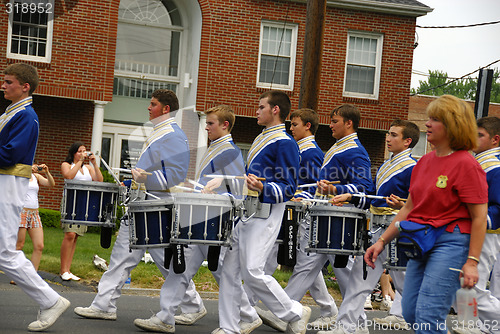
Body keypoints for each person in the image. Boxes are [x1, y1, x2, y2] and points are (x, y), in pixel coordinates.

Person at [74, 89, 204, 324]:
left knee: (162, 261)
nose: (148, 107)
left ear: (166, 109)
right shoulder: (162, 132)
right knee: (124, 257)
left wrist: (146, 179)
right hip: (144, 205)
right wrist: (133, 181)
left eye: (153, 104)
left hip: (156, 207)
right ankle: (104, 304)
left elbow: (175, 175)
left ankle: (193, 304)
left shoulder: (173, 135)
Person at [365, 94, 488, 334]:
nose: (427, 124)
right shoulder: (424, 162)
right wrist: (381, 242)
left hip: (451, 244)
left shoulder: (467, 165)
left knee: (428, 316)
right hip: (420, 242)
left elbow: (479, 217)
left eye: (435, 119)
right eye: (429, 118)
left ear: (453, 125)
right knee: (410, 312)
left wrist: (472, 262)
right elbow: (410, 208)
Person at [133, 105, 261, 334]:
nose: (206, 126)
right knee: (180, 271)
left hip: (215, 223)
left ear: (225, 125)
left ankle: (249, 315)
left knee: (221, 273)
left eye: (210, 123)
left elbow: (237, 192)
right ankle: (165, 316)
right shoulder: (217, 148)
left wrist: (216, 192)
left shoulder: (229, 152)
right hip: (202, 221)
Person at [214, 90, 311, 334]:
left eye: (260, 107)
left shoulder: (285, 142)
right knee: (229, 271)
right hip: (246, 212)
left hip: (267, 212)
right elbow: (250, 177)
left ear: (275, 110)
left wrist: (264, 186)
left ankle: (295, 312)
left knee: (253, 272)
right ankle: (229, 327)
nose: (256, 111)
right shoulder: (262, 138)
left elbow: (289, 186)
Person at [322, 119, 420, 333]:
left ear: (407, 141)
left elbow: (419, 203)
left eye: (394, 135)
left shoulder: (414, 167)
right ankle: (346, 326)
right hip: (377, 230)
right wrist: (348, 195)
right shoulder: (387, 164)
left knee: (407, 285)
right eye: (388, 133)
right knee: (359, 280)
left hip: (399, 232)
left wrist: (403, 204)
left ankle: (430, 324)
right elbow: (373, 197)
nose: (388, 138)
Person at [255, 108, 339, 331]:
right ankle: (329, 308)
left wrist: (295, 195)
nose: (290, 128)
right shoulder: (301, 148)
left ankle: (264, 307)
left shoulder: (311, 152)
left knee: (298, 261)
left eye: (295, 124)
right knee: (306, 264)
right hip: (293, 211)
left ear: (308, 126)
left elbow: (311, 185)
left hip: (302, 214)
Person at [0, 63, 70, 331]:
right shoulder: (14, 113)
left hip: (9, 184)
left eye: (8, 82)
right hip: (6, 182)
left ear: (24, 87)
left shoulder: (26, 116)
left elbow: (10, 154)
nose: (3, 86)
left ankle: (51, 300)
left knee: (6, 252)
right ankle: (50, 300)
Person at [452, 116, 500, 334]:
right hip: (466, 232)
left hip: (486, 234)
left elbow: (498, 207)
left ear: (495, 140)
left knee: (473, 291)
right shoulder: (476, 162)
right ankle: (474, 328)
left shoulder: (496, 167)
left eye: (480, 135)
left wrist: (474, 218)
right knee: (460, 288)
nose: (474, 139)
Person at [59, 142, 104, 281]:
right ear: (73, 153)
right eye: (79, 151)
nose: (82, 153)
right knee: (70, 234)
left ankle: (68, 269)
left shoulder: (88, 168)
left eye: (84, 151)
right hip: (71, 201)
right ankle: (63, 270)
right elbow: (69, 176)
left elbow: (99, 180)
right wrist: (79, 161)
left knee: (76, 236)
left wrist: (94, 164)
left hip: (83, 203)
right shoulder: (67, 164)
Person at [15, 163, 55, 274]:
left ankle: (31, 275)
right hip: (22, 212)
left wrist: (47, 172)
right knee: (19, 245)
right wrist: (27, 169)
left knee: (39, 245)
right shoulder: (20, 174)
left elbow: (51, 184)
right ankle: (16, 274)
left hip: (34, 213)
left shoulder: (36, 176)